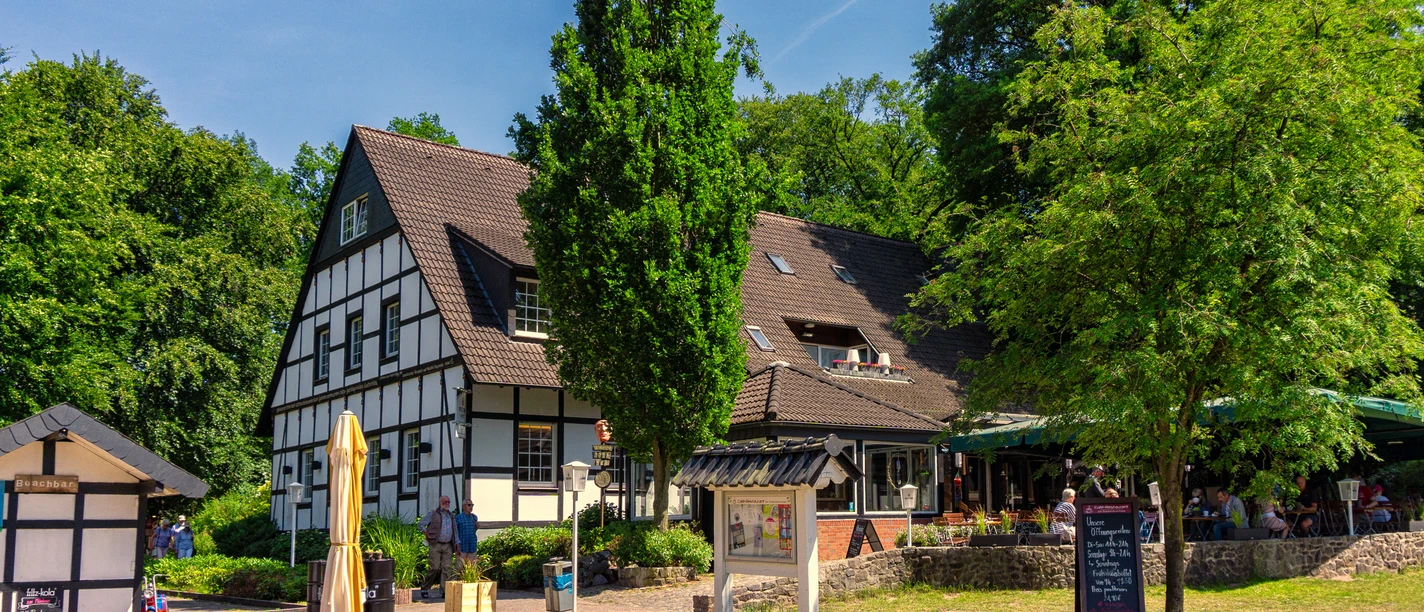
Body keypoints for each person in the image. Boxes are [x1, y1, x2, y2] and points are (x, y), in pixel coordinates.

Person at [418, 496, 461, 598]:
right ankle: (425, 587)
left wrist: (457, 545)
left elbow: (455, 531)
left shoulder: (451, 516)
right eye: (445, 501)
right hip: (435, 544)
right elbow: (421, 524)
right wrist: (426, 534)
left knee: (447, 568)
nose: (447, 503)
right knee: (434, 567)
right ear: (440, 502)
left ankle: (444, 591)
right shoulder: (433, 513)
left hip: (448, 545)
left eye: (448, 502)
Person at [454, 498, 479, 565]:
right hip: (462, 547)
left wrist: (477, 526)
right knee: (459, 568)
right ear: (464, 506)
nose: (471, 507)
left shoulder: (474, 517)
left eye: (472, 505)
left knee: (471, 569)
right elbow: (455, 532)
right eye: (469, 505)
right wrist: (457, 545)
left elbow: (474, 530)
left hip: (472, 546)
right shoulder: (458, 518)